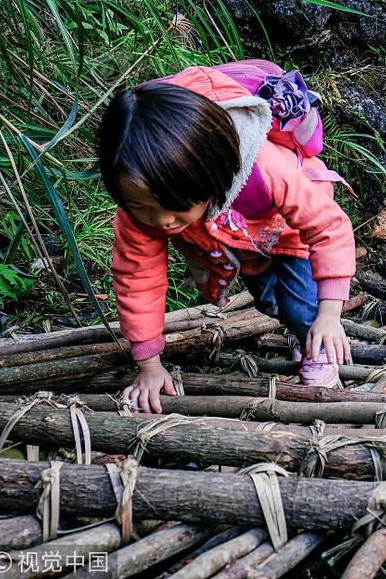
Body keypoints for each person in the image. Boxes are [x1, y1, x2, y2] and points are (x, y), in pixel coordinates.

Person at [98, 66, 356, 413]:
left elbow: (328, 227)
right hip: (240, 242)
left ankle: (317, 346)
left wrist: (330, 315)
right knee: (270, 302)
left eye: (175, 208)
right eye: (143, 208)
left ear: (213, 175)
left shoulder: (265, 169)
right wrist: (149, 365)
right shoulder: (139, 207)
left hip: (293, 233)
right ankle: (300, 328)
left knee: (302, 306)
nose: (160, 221)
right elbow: (137, 278)